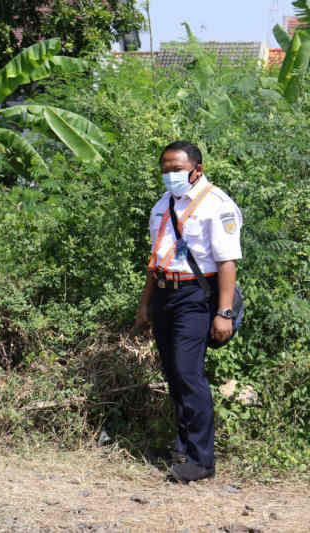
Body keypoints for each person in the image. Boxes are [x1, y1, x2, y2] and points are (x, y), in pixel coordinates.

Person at [133, 140, 242, 483]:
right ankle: (181, 447)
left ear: (197, 168)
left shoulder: (216, 204)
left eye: (176, 169)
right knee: (173, 372)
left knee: (189, 373)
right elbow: (156, 260)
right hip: (165, 294)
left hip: (197, 297)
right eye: (165, 169)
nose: (170, 175)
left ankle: (201, 460)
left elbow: (227, 263)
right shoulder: (162, 205)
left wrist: (223, 312)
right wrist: (145, 305)